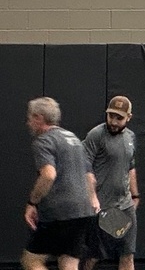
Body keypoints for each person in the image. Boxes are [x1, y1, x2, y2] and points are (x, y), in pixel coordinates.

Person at [22, 97, 99, 270]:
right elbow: (90, 177)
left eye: (30, 118)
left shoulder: (44, 141)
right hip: (83, 212)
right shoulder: (74, 139)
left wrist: (32, 203)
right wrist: (93, 199)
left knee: (31, 261)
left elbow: (48, 175)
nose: (28, 123)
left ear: (39, 117)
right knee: (69, 263)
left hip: (59, 213)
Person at [82, 96, 139, 270]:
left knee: (127, 255)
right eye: (111, 116)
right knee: (93, 257)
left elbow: (130, 167)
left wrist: (135, 195)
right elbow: (84, 168)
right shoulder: (96, 135)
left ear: (129, 117)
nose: (113, 121)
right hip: (102, 208)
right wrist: (92, 199)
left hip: (125, 206)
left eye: (119, 118)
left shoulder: (130, 137)